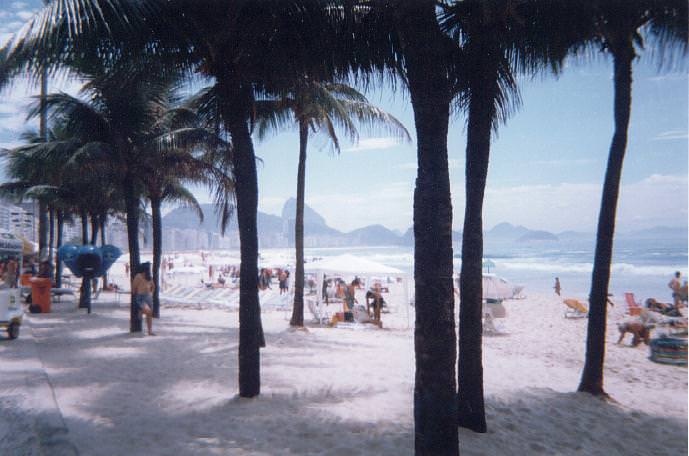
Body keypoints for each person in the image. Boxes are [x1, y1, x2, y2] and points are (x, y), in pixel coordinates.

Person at [131, 262, 156, 336]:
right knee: (148, 311)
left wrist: (151, 293)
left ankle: (150, 331)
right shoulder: (138, 276)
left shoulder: (149, 277)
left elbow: (153, 286)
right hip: (141, 297)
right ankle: (140, 312)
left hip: (148, 296)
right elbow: (134, 288)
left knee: (150, 314)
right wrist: (136, 293)